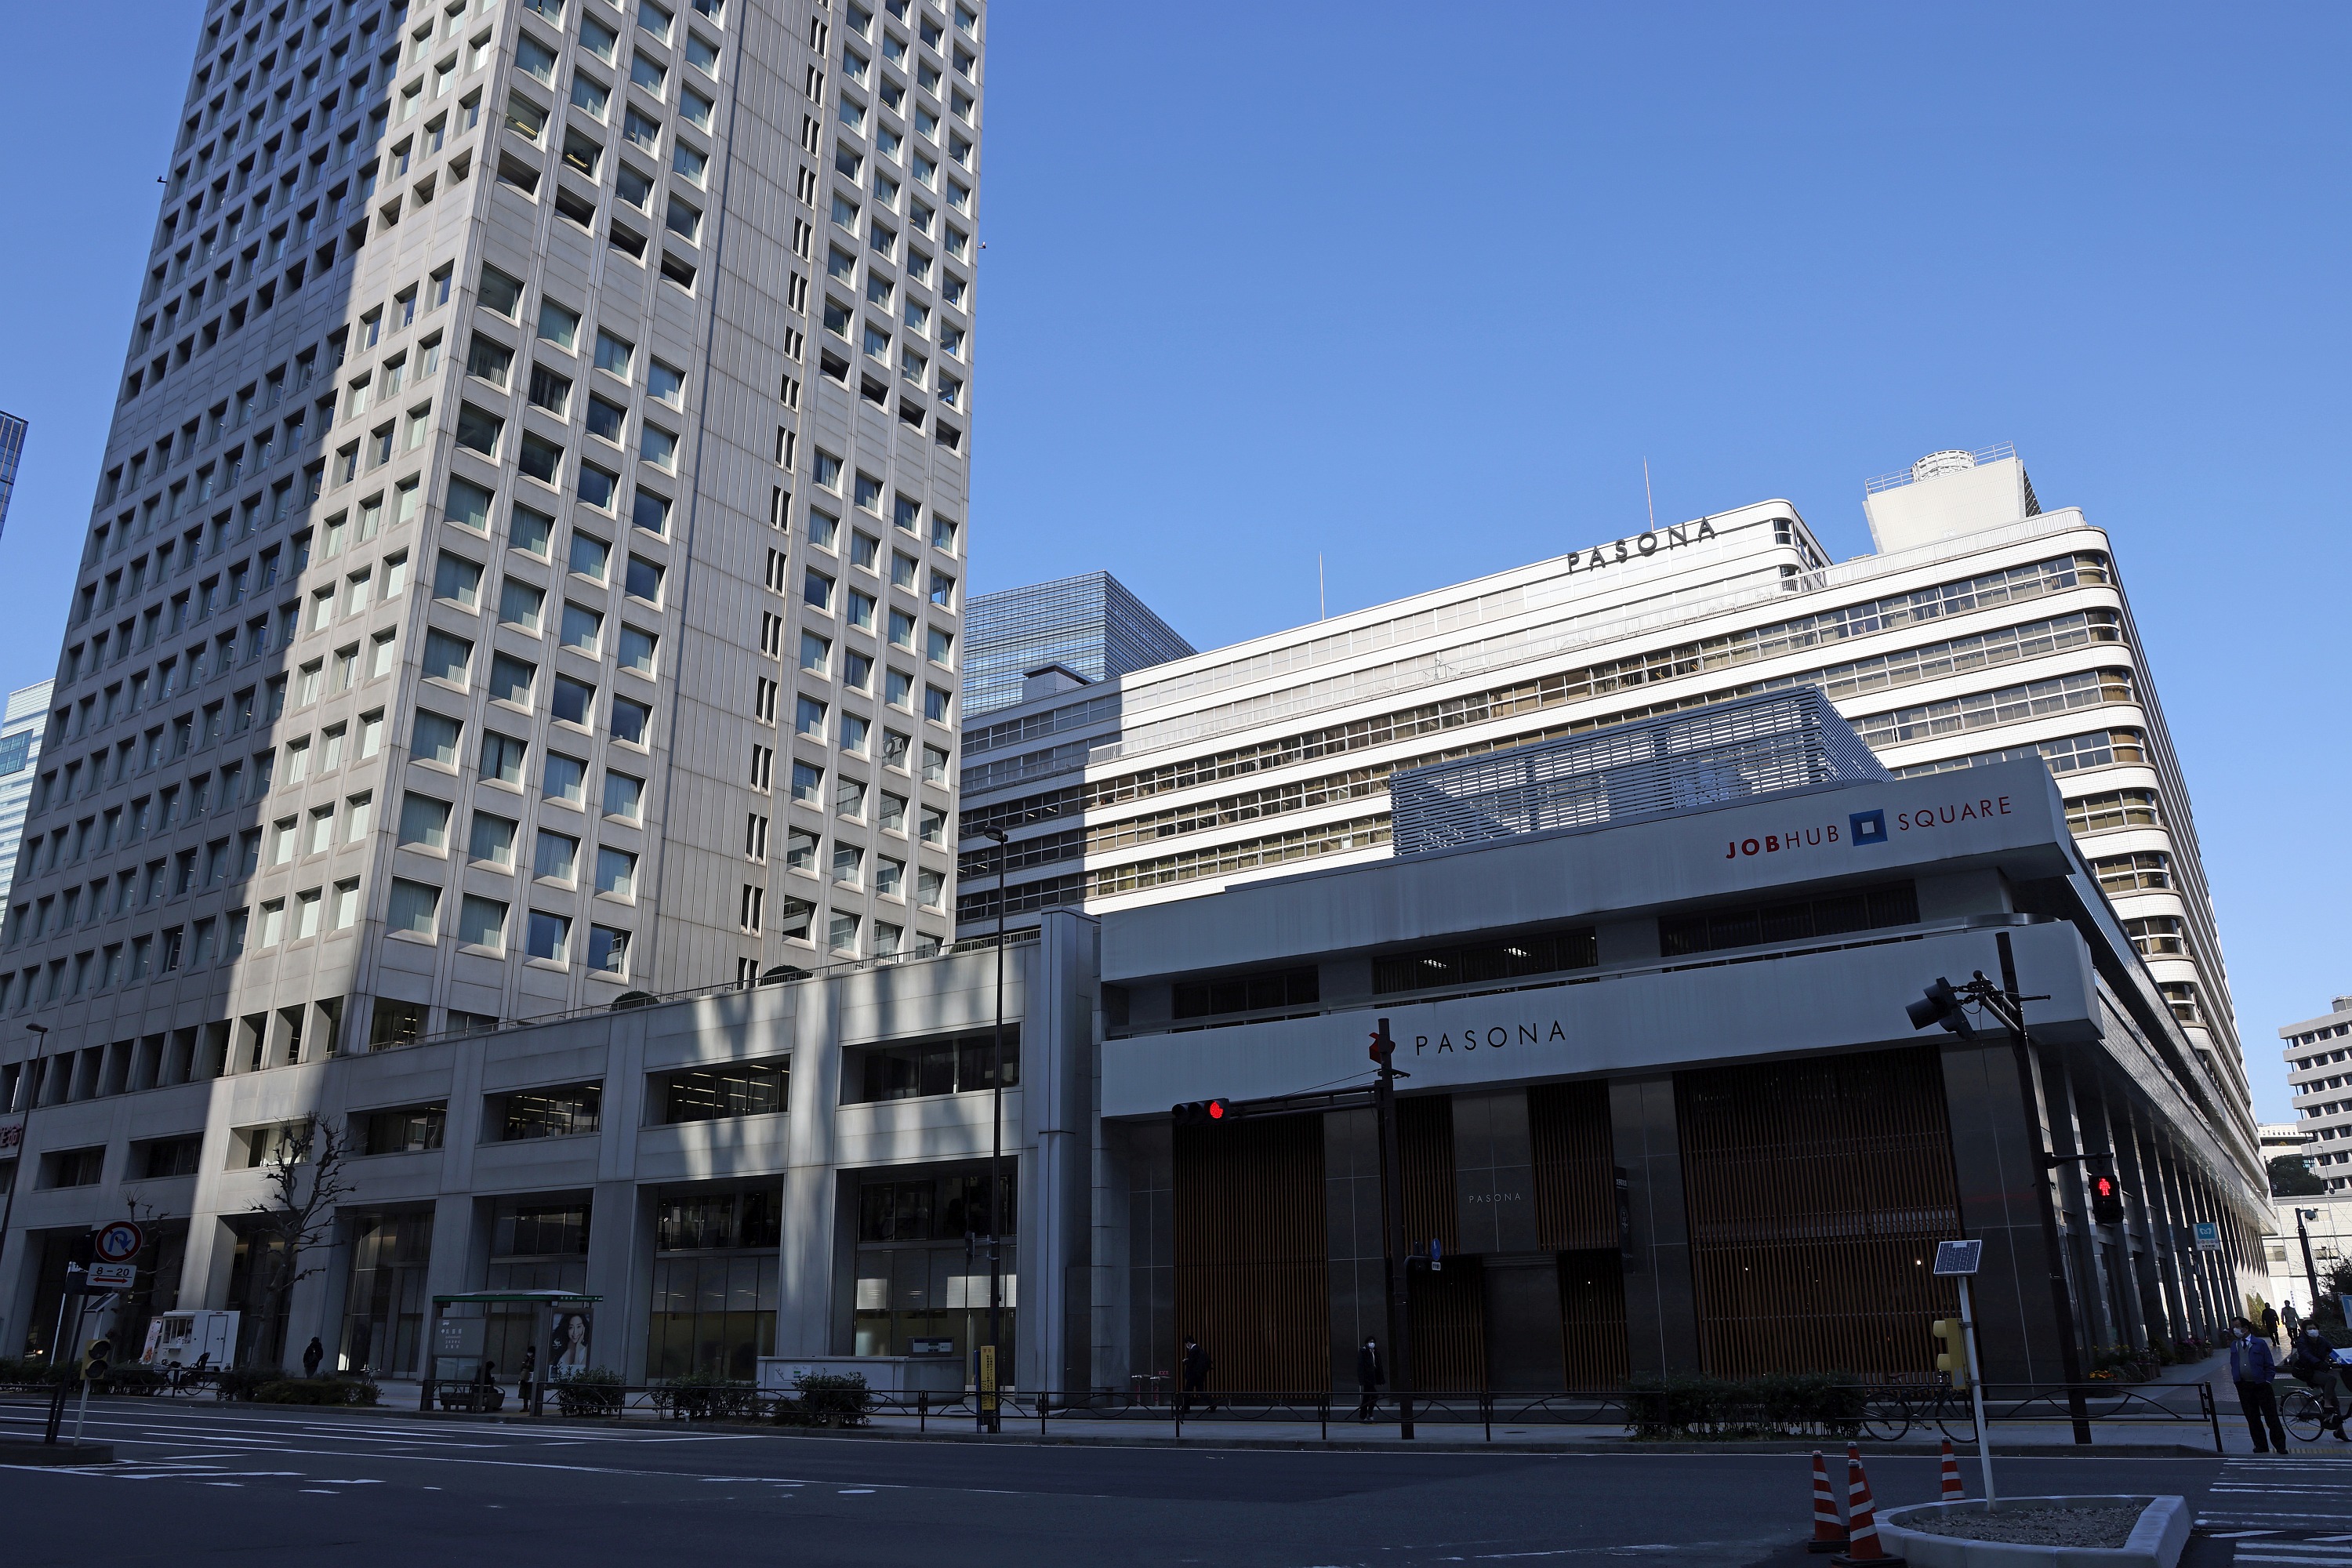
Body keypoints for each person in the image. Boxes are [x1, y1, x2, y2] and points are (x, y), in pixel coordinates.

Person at [2231, 1316, 2289, 1453]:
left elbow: (2269, 1364)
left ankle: (2280, 1445)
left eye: (2238, 1326)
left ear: (2246, 1328)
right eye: (2234, 1327)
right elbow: (2234, 1362)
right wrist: (2236, 1379)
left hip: (2261, 1384)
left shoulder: (2259, 1343)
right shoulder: (2235, 1345)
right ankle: (2260, 1445)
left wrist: (2267, 1380)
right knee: (2252, 1417)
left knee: (2271, 1416)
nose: (2235, 1330)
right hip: (2244, 1385)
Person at [2288, 1326, 2350, 1442]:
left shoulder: (2322, 1340)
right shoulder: (2302, 1342)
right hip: (2306, 1371)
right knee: (2331, 1379)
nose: (2313, 1330)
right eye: (2310, 1328)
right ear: (2305, 1331)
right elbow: (2306, 1355)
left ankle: (2340, 1431)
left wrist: (2344, 1358)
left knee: (2335, 1402)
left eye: (2314, 1327)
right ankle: (2326, 1403)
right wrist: (2318, 1362)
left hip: (2319, 1369)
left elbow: (2333, 1350)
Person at [1178, 1336, 1211, 1416]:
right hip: (1199, 1375)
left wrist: (1185, 1361)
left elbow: (1191, 1363)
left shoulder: (1193, 1350)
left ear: (1188, 1343)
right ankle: (1213, 1404)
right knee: (1200, 1392)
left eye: (1186, 1344)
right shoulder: (1199, 1349)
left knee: (1187, 1392)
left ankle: (1186, 1409)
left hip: (1193, 1375)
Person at [1356, 1337, 1385, 1422]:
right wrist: (1362, 1380)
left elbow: (1379, 1366)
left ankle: (1364, 1415)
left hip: (1373, 1378)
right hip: (1367, 1378)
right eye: (1370, 1342)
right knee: (1374, 1395)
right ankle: (1369, 1414)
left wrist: (1381, 1379)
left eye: (1373, 1342)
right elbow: (1360, 1366)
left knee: (1367, 1397)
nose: (1372, 1343)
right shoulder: (1364, 1351)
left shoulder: (1376, 1352)